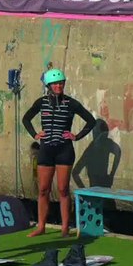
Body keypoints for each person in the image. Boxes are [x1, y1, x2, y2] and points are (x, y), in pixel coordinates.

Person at [22, 69, 96, 237]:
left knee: (63, 189)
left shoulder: (71, 103)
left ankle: (64, 227)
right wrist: (35, 134)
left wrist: (76, 136)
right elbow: (26, 118)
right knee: (43, 189)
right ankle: (41, 226)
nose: (58, 86)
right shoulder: (41, 103)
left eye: (61, 83)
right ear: (49, 86)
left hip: (64, 150)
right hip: (46, 149)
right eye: (55, 83)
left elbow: (90, 121)